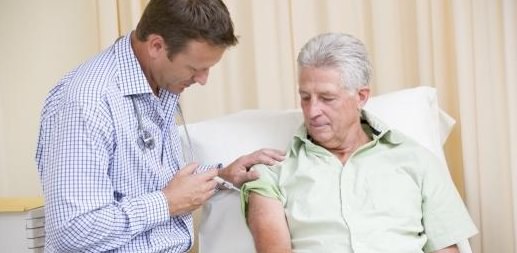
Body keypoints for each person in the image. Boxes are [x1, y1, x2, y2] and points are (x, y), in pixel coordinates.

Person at [35, 0, 284, 252]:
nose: (203, 80)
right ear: (156, 45)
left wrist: (222, 175)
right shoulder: (87, 102)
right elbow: (73, 230)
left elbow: (151, 181)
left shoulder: (160, 83)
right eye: (195, 68)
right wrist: (166, 204)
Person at [241, 33, 478, 253]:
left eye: (327, 98)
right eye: (305, 98)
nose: (312, 111)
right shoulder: (272, 172)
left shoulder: (418, 161)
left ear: (361, 97)